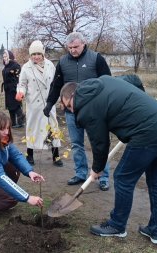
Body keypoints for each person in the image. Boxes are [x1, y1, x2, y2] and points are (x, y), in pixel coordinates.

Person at [59, 76, 157, 244]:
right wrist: (138, 109)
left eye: (69, 106)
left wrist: (97, 169)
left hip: (148, 133)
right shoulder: (104, 80)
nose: (72, 111)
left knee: (123, 178)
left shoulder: (86, 108)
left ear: (73, 95)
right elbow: (134, 79)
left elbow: (100, 143)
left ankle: (117, 226)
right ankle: (156, 230)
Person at [43, 32, 112, 190]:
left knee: (99, 143)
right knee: (76, 144)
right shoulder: (62, 62)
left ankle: (103, 176)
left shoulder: (96, 59)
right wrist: (49, 103)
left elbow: (108, 82)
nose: (73, 50)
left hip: (94, 112)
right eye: (70, 47)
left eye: (76, 47)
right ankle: (81, 173)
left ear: (83, 44)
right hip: (71, 111)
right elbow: (56, 84)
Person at [16, 40, 63, 167]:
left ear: (43, 53)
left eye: (38, 54)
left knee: (53, 128)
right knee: (32, 128)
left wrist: (57, 99)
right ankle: (29, 154)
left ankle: (56, 156)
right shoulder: (26, 67)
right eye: (33, 54)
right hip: (34, 104)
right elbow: (22, 84)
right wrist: (21, 92)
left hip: (49, 104)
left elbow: (55, 83)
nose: (36, 56)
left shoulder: (50, 65)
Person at [1, 50, 24, 128]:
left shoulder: (15, 65)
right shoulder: (6, 66)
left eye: (6, 56)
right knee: (10, 106)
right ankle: (13, 123)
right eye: (3, 57)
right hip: (7, 89)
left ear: (10, 56)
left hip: (14, 89)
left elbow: (18, 77)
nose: (4, 58)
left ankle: (21, 122)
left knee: (16, 105)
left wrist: (16, 87)